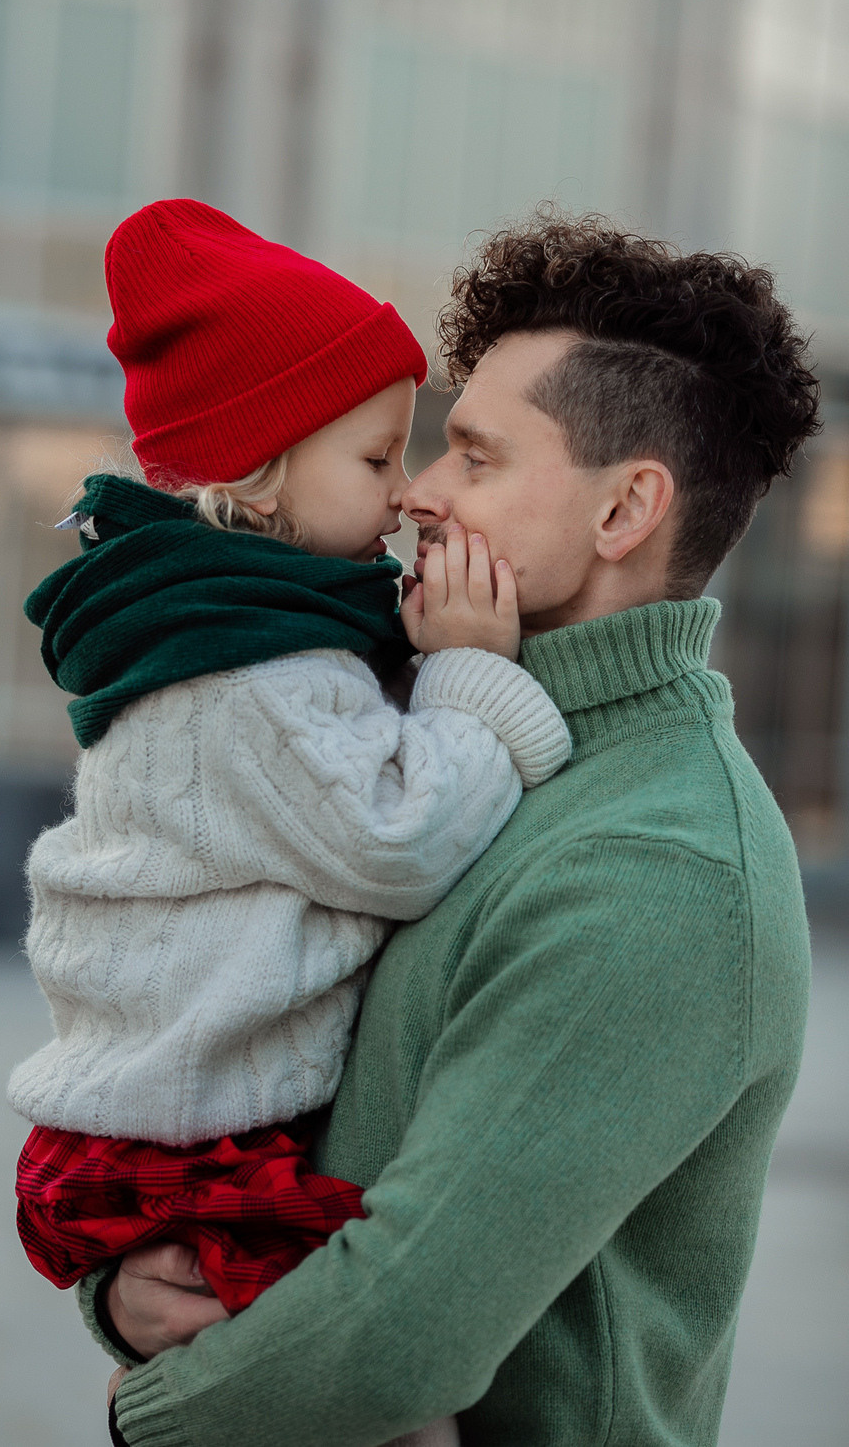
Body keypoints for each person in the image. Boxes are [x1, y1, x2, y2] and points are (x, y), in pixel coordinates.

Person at [88, 211, 821, 1447]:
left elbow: (399, 1329)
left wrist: (148, 1416)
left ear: (623, 509)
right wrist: (140, 1289)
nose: (418, 491)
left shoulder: (657, 865)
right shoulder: (430, 735)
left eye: (475, 459)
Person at [7, 200, 571, 1447]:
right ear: (258, 472)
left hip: (172, 1121)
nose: (404, 495)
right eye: (377, 460)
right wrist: (485, 679)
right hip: (191, 1141)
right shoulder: (247, 677)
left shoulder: (238, 625)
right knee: (378, 1389)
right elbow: (398, 839)